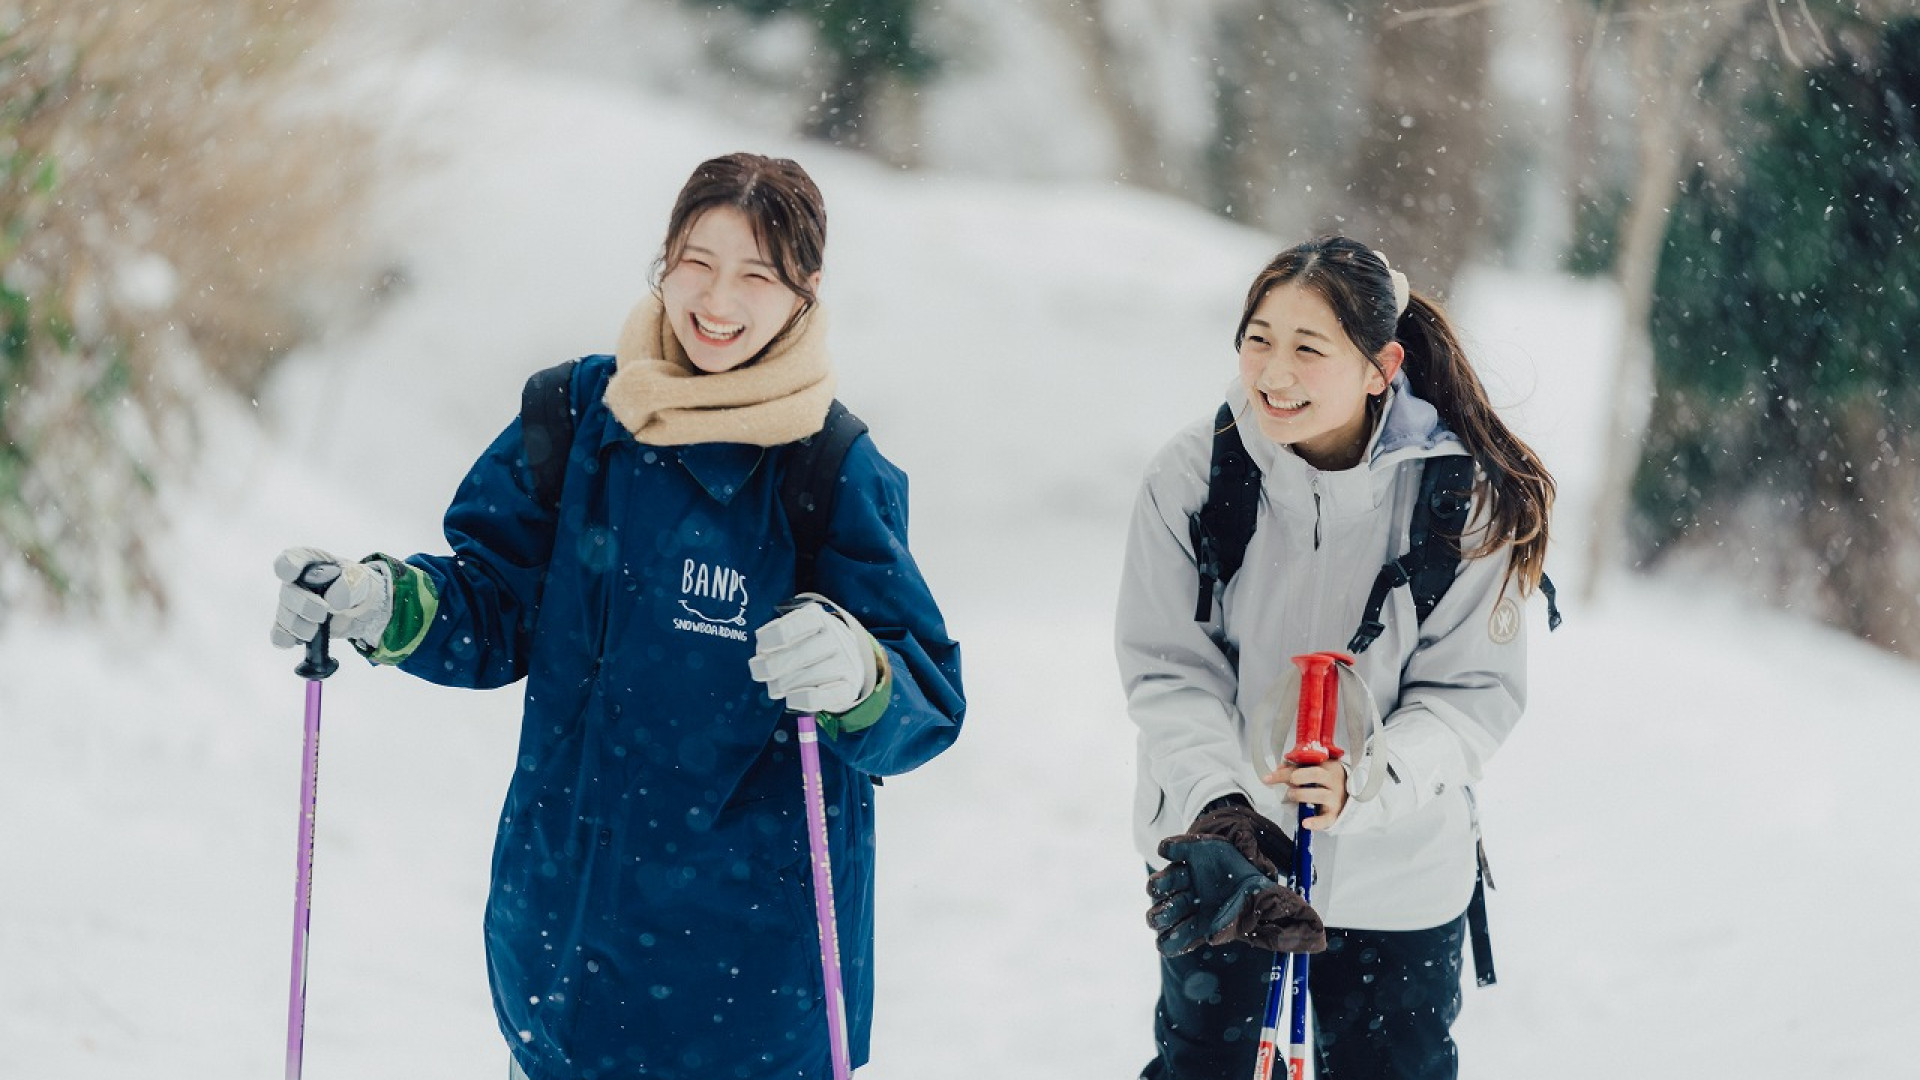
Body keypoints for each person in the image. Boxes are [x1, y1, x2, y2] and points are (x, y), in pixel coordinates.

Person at [270, 152, 966, 1080]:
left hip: (753, 984)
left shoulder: (828, 467)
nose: (719, 299)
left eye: (758, 274)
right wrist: (385, 601)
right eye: (698, 261)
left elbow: (926, 697)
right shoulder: (574, 417)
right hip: (563, 941)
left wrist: (862, 678)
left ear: (805, 292)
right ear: (664, 260)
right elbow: (496, 604)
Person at [1116, 236, 1554, 1080]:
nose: (1274, 373)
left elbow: (1469, 695)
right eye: (1258, 340)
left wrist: (1370, 779)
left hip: (1400, 879)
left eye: (1308, 348)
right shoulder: (1193, 478)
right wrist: (1221, 809)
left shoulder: (1458, 498)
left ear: (1380, 365)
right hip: (1225, 874)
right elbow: (1169, 671)